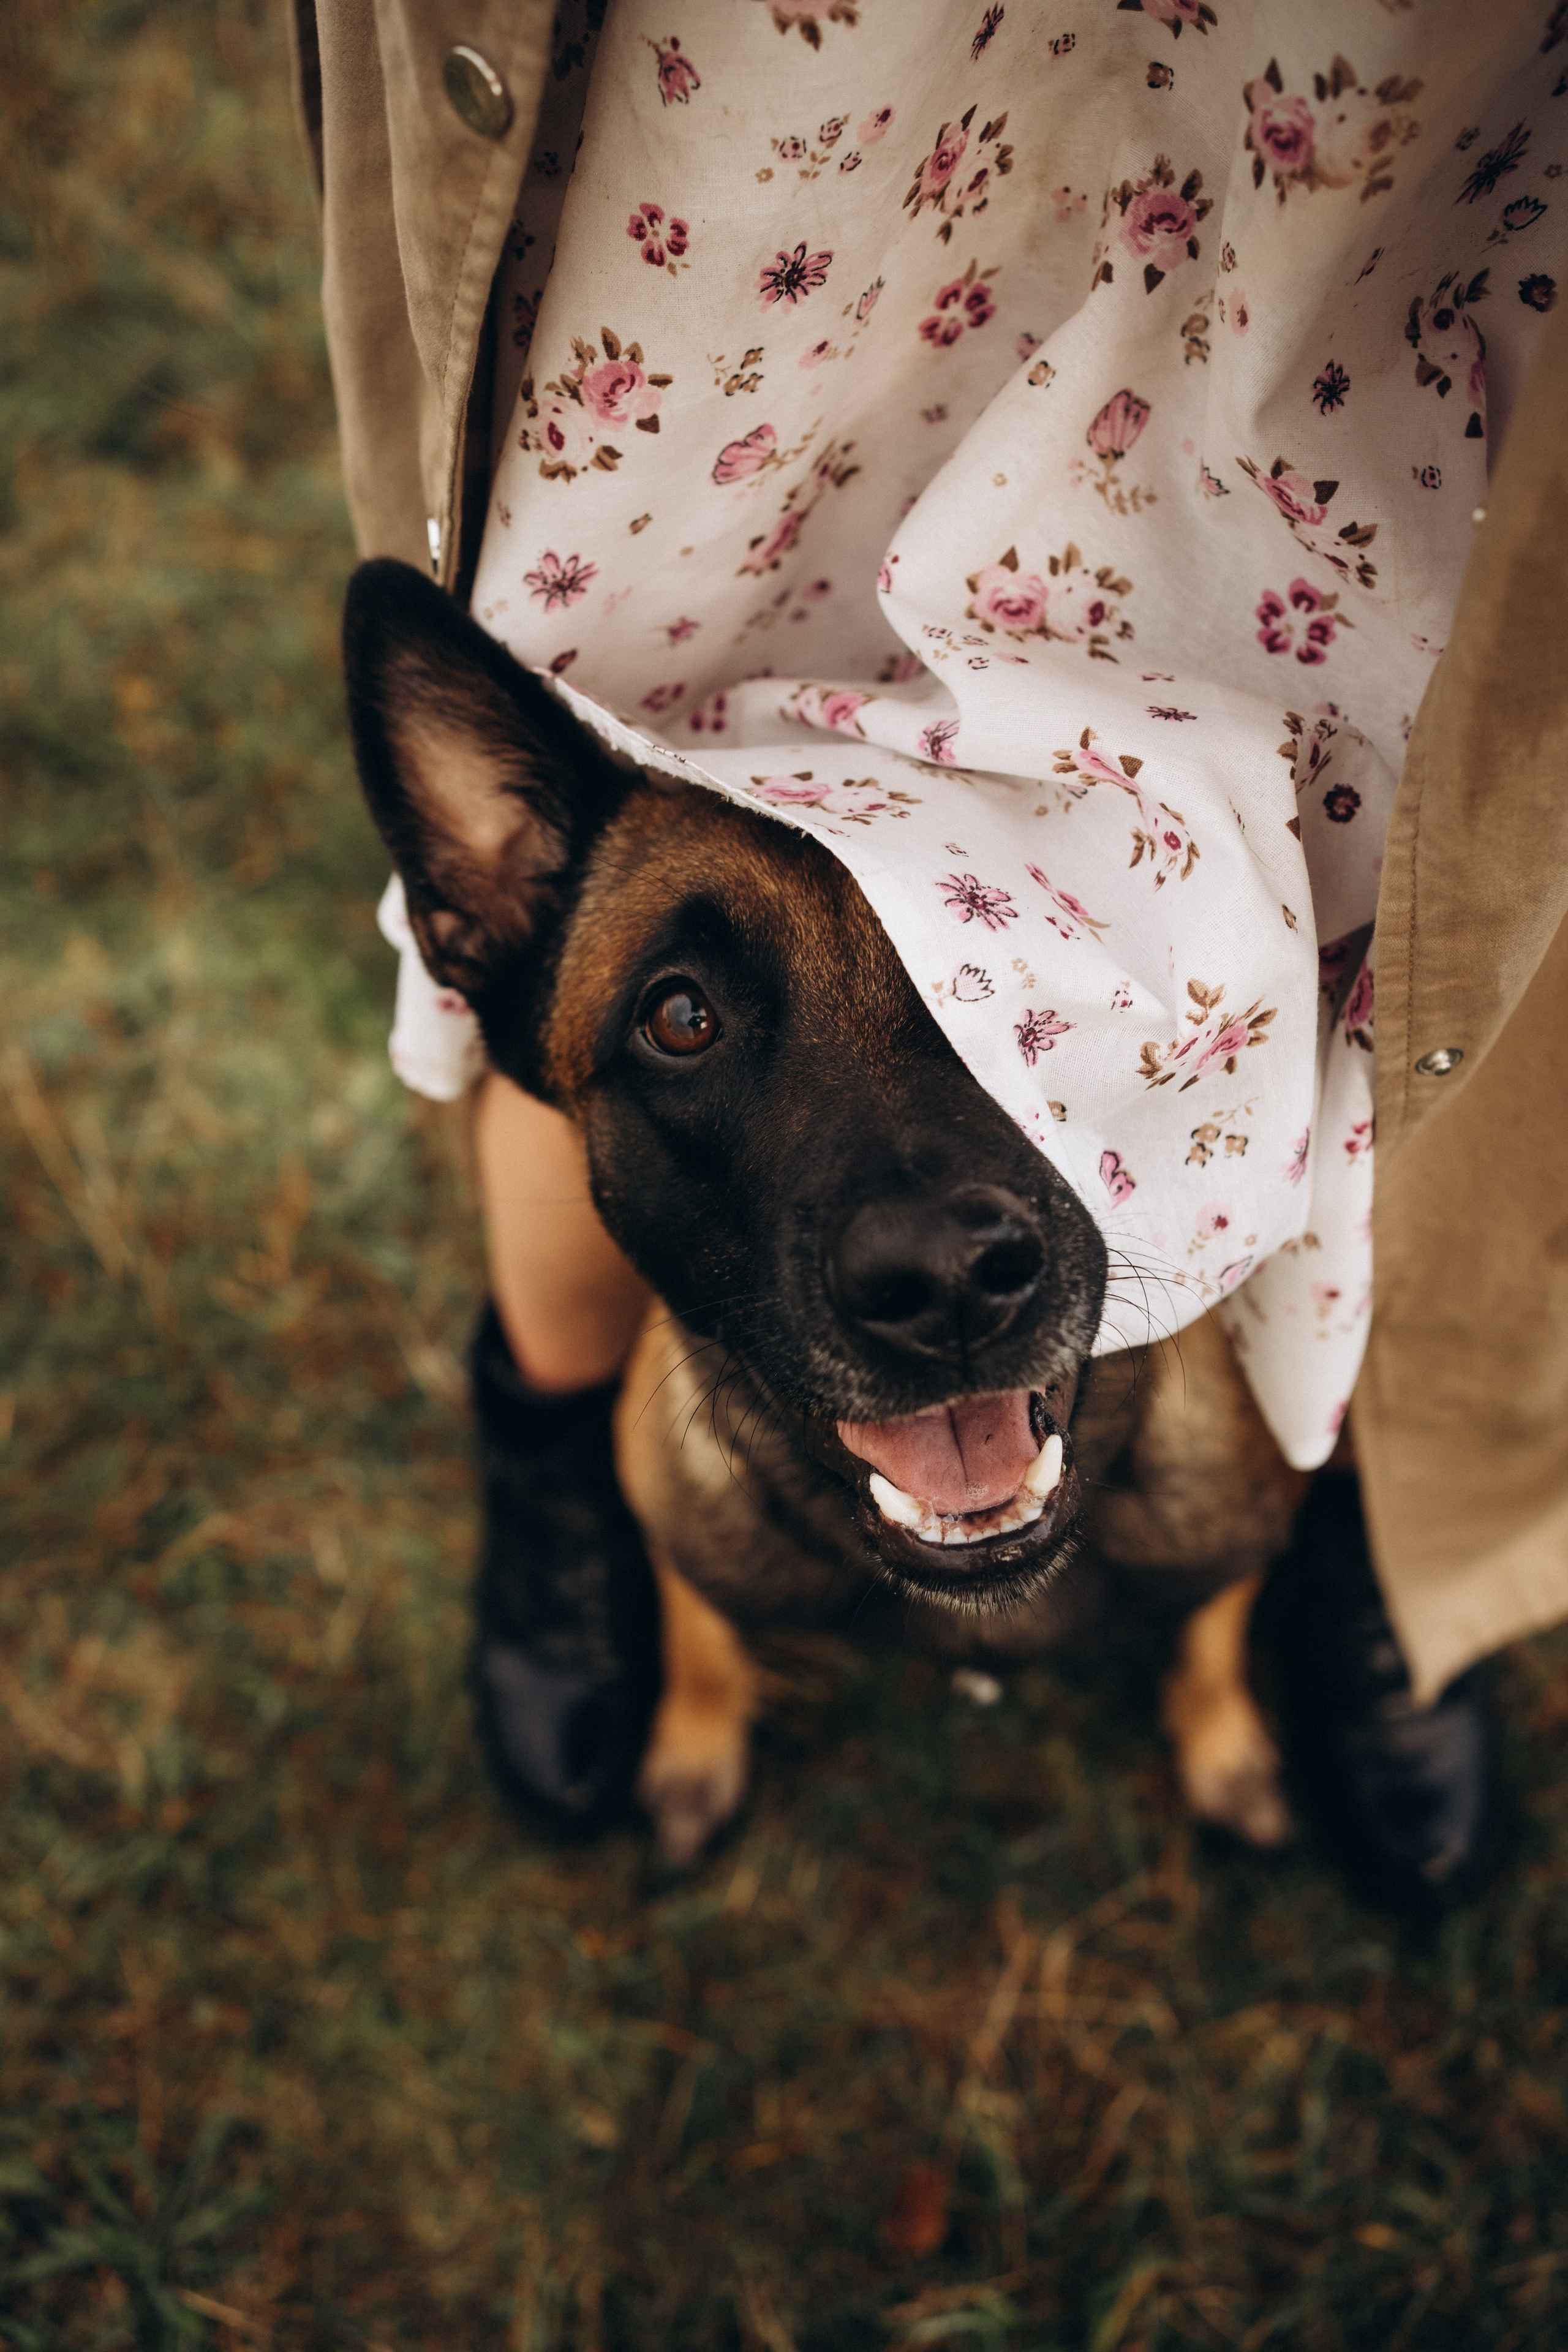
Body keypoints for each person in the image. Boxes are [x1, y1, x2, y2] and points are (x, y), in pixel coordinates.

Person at [289, 0, 1568, 1907]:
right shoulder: (548, 912)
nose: (928, 1246)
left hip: (1305, 155)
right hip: (744, 191)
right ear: (488, 911)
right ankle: (569, 1476)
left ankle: (1333, 1571)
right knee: (636, 623)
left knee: (1397, 902)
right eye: (687, 1014)